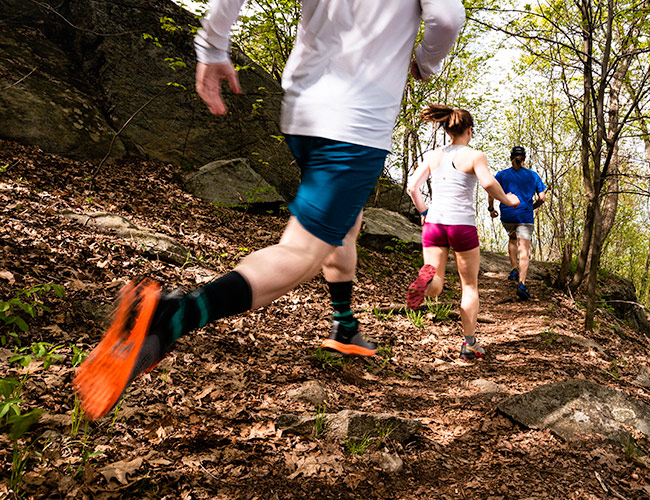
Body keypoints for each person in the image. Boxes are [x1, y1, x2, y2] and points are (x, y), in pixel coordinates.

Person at [74, 0, 467, 420]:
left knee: (343, 224)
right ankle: (173, 316)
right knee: (303, 249)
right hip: (356, 123)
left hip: (303, 110)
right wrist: (425, 63)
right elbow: (447, 18)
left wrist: (213, 45)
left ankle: (345, 325)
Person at [406, 104, 520, 360]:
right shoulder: (475, 155)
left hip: (434, 224)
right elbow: (488, 183)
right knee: (469, 287)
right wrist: (508, 200)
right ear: (469, 130)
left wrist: (423, 212)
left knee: (435, 282)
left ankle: (426, 282)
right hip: (462, 226)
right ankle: (469, 345)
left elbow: (413, 187)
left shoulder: (433, 155)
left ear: (448, 131)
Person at [488, 146, 546, 300]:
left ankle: (514, 269)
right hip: (525, 216)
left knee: (512, 238)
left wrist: (491, 209)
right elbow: (542, 198)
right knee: (524, 249)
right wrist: (531, 207)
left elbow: (491, 192)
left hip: (508, 215)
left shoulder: (501, 175)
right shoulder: (533, 175)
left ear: (511, 158)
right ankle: (521, 284)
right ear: (524, 158)